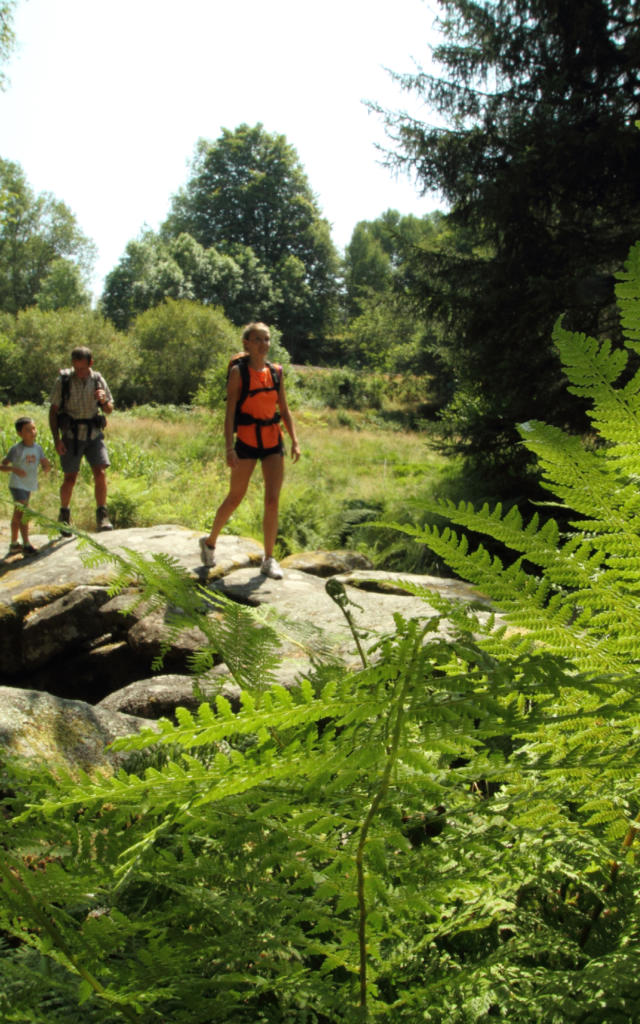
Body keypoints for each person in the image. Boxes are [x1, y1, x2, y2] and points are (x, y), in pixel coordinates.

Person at [199, 322, 300, 579]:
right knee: (235, 496)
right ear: (246, 343)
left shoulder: (276, 372)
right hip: (245, 441)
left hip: (272, 441)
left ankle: (269, 559)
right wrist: (228, 447)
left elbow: (284, 410)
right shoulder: (238, 373)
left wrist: (295, 440)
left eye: (266, 339)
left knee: (272, 501)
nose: (263, 344)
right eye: (258, 339)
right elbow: (230, 411)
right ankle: (210, 542)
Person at [48, 346, 114, 533]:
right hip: (71, 435)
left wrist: (103, 401)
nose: (79, 372)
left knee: (100, 472)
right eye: (76, 368)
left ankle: (102, 516)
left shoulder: (98, 380)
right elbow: (53, 412)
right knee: (70, 478)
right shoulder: (64, 381)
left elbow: (109, 409)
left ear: (90, 363)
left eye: (83, 368)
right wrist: (57, 439)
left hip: (93, 433)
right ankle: (64, 516)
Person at [1, 416, 51, 555]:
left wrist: (47, 466)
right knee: (22, 513)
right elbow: (2, 465)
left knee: (21, 514)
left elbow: (44, 462)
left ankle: (18, 543)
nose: (32, 432)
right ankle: (21, 543)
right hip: (17, 484)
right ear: (20, 433)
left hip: (29, 485)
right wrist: (13, 469)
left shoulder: (38, 448)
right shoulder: (16, 449)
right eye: (28, 430)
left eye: (34, 428)